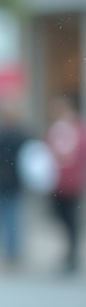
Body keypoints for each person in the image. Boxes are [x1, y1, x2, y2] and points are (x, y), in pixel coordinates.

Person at [46, 94, 86, 272]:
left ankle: (72, 255)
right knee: (61, 217)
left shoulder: (77, 128)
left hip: (71, 182)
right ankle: (68, 252)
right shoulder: (55, 128)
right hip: (56, 181)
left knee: (70, 219)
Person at [0, 103, 28, 266]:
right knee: (8, 217)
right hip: (8, 181)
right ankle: (10, 250)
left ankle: (11, 250)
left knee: (9, 217)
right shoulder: (18, 134)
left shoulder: (6, 135)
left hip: (8, 181)